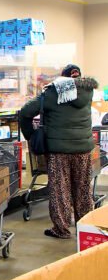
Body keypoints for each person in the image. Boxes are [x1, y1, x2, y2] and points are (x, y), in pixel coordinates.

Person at [20, 64, 97, 239]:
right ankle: (86, 227)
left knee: (60, 189)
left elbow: (25, 112)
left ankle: (61, 229)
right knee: (83, 188)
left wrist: (31, 135)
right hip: (83, 149)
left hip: (58, 151)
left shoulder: (52, 92)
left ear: (62, 77)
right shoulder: (87, 91)